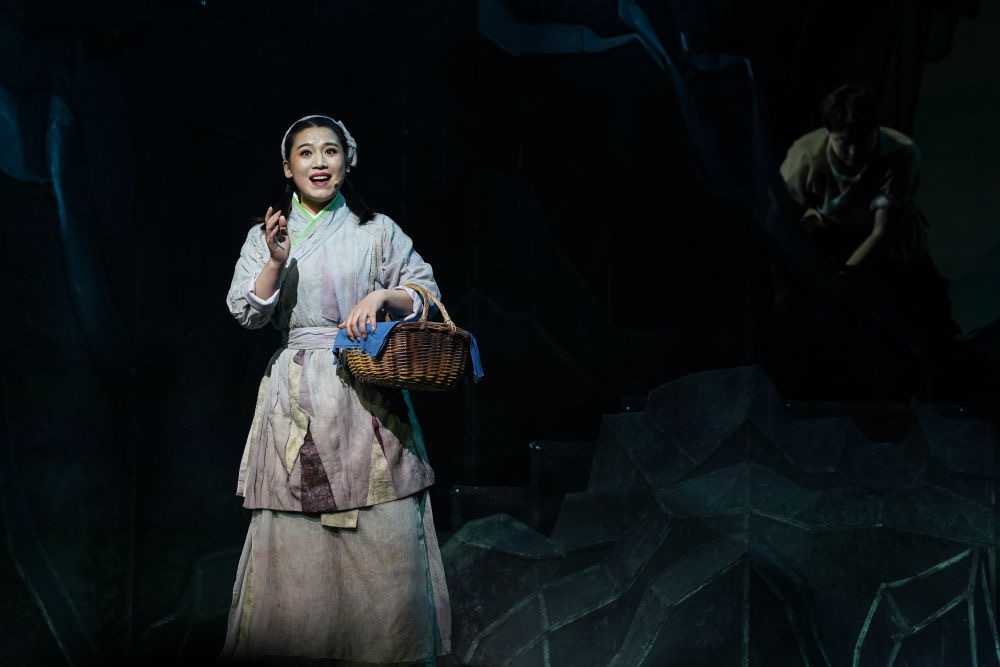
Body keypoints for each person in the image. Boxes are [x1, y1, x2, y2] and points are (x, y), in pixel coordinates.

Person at [222, 115, 451, 664]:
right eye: (306, 152)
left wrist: (383, 298)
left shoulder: (378, 231)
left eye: (330, 151)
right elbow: (247, 313)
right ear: (287, 167)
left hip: (366, 390)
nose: (319, 162)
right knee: (296, 548)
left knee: (385, 531)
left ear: (347, 162)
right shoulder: (268, 236)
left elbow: (426, 293)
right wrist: (276, 261)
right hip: (298, 396)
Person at [779, 84, 957, 340]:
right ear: (829, 134)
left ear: (875, 130)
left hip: (889, 244)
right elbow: (783, 222)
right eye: (844, 143)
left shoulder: (900, 154)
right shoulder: (804, 157)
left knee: (928, 313)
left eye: (863, 141)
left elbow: (882, 232)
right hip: (828, 240)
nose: (854, 153)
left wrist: (840, 287)